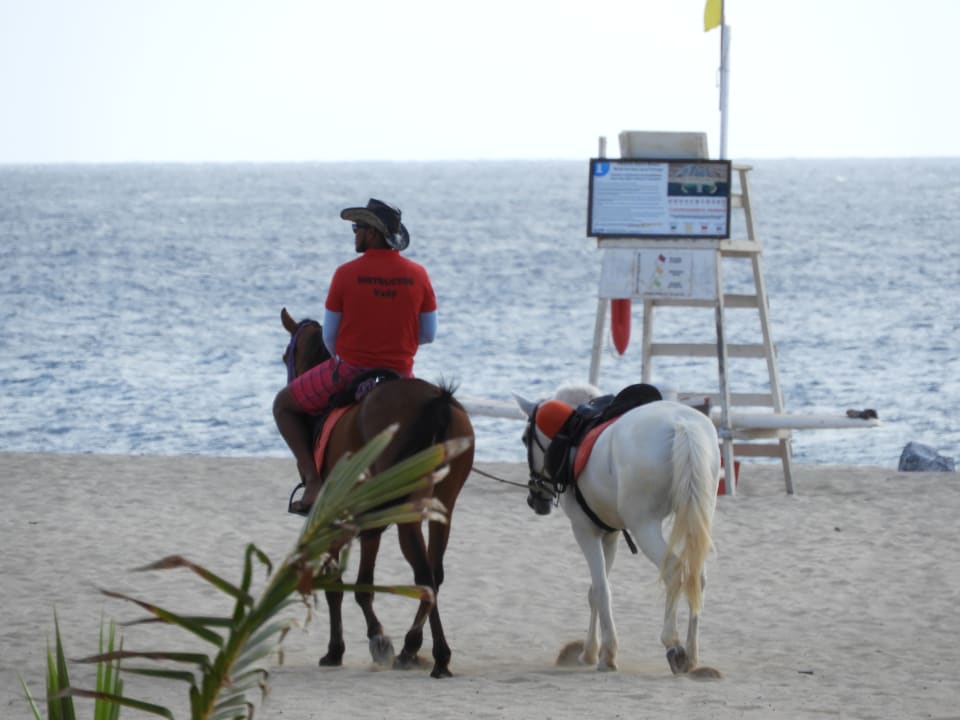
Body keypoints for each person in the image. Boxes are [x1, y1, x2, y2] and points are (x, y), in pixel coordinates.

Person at [274, 198, 437, 514]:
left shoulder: (345, 274)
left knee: (282, 404)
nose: (354, 234)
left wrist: (353, 352)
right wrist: (395, 344)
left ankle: (312, 481)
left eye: (357, 228)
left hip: (350, 370)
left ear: (372, 233)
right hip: (401, 375)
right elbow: (429, 334)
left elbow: (329, 337)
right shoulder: (419, 274)